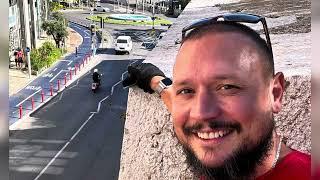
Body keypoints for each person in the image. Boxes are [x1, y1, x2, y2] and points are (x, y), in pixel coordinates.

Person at [123, 13, 311, 179]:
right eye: (187, 91)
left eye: (227, 87)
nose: (200, 113)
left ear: (275, 94)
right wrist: (156, 81)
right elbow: (175, 100)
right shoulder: (219, 150)